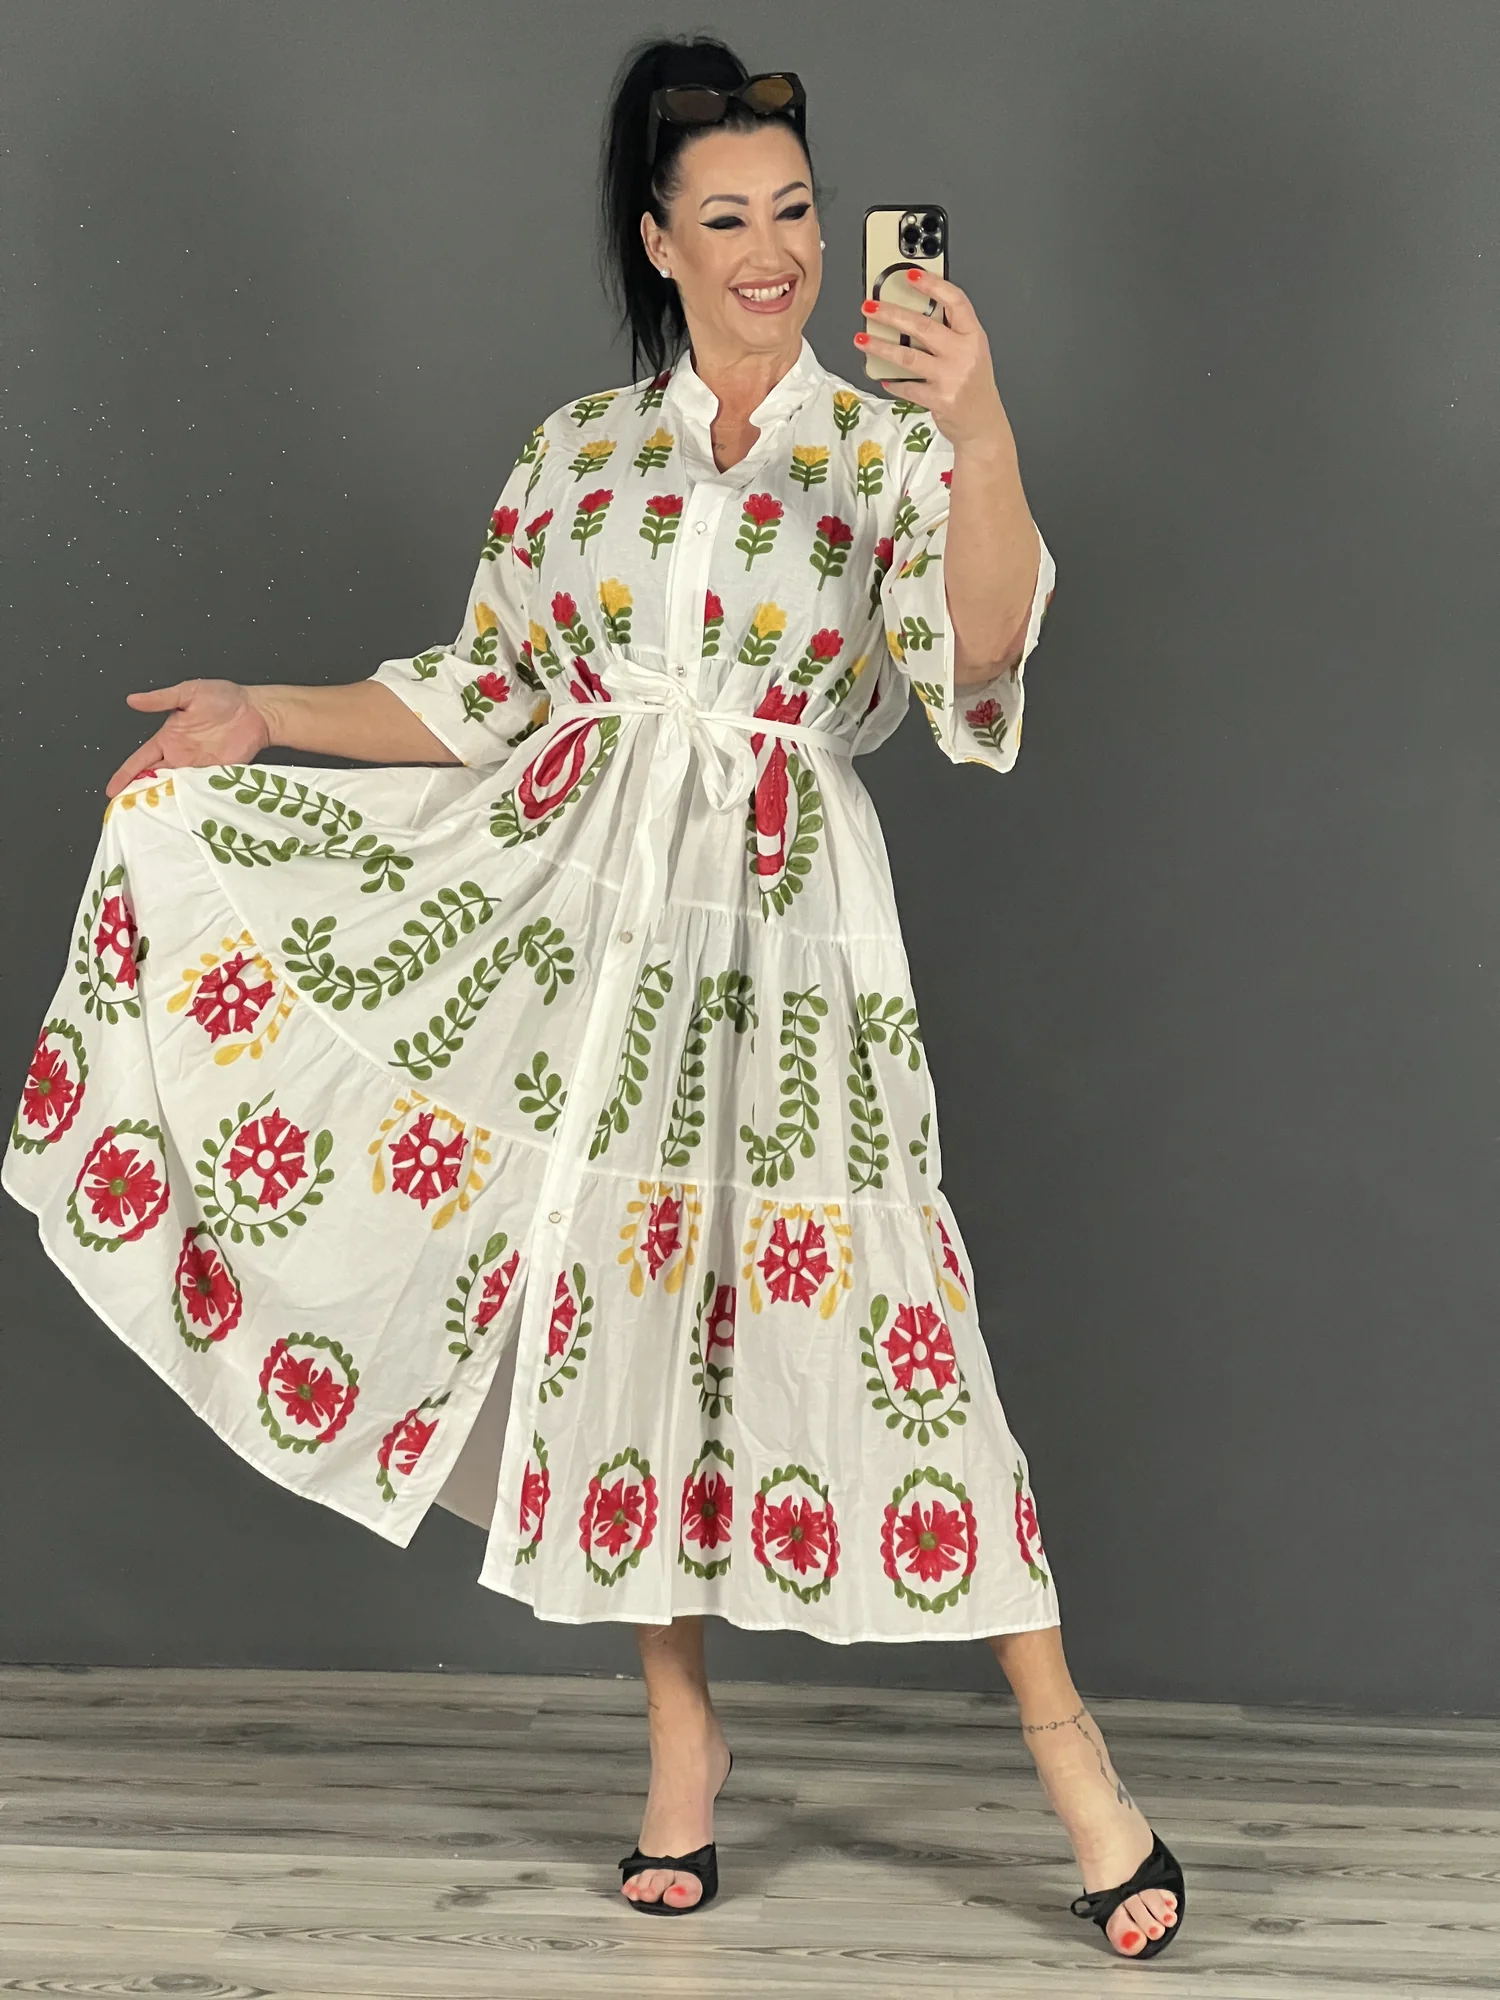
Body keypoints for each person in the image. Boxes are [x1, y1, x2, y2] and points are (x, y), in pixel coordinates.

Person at [4, 33, 1184, 1956]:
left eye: (795, 210)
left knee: (896, 1322)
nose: (773, 251)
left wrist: (982, 430)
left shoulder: (888, 447)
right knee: (623, 1318)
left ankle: (1076, 1764)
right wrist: (262, 713)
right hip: (587, 932)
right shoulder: (579, 453)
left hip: (790, 940)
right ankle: (681, 1742)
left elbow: (977, 658)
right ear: (658, 240)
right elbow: (481, 692)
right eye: (727, 218)